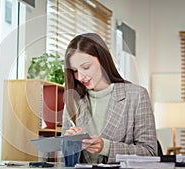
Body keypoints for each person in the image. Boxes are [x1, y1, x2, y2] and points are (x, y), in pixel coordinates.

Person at [61, 33, 157, 164]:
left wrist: (106, 147)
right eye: (75, 71)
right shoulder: (74, 100)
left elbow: (150, 153)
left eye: (86, 67)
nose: (80, 77)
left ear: (102, 59)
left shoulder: (137, 96)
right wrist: (69, 145)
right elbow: (64, 160)